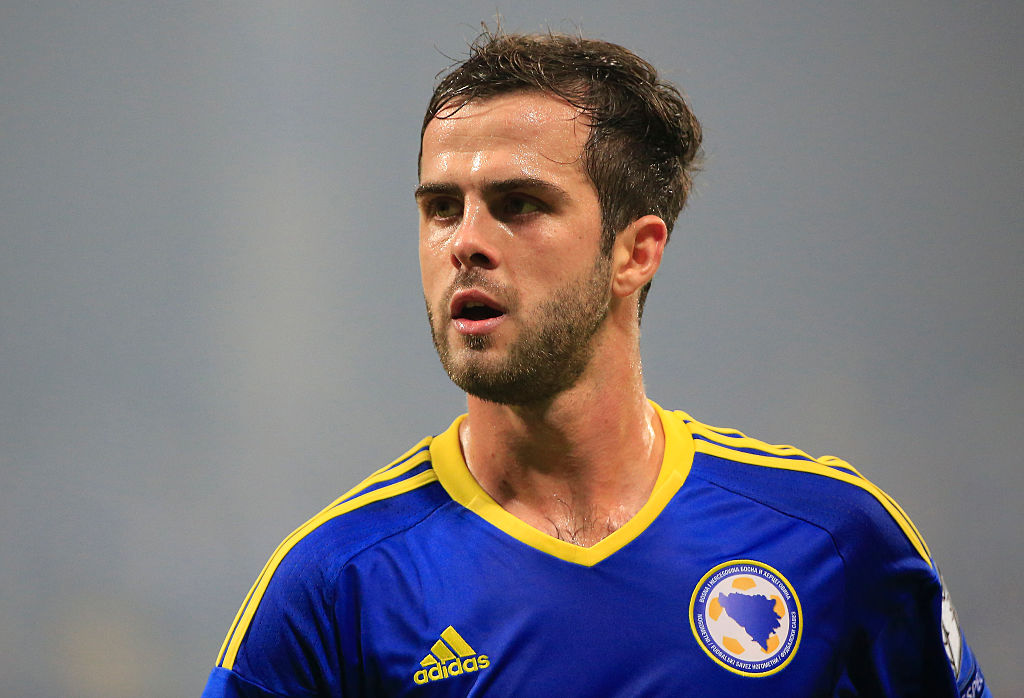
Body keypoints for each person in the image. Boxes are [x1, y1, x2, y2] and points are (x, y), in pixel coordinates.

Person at [202, 30, 989, 697]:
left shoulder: (831, 540)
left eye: (519, 204)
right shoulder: (336, 586)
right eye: (442, 207)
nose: (463, 242)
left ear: (635, 251)